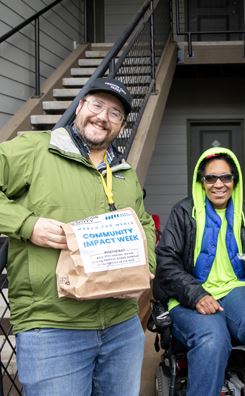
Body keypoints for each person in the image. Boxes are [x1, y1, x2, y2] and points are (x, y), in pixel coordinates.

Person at [0, 77, 156, 396]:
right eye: (97, 105)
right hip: (54, 326)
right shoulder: (35, 150)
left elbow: (144, 223)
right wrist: (27, 224)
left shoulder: (124, 173)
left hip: (122, 326)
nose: (103, 117)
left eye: (115, 113)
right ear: (80, 106)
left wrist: (146, 267)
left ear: (121, 125)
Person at [153, 147, 245, 396]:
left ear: (234, 180)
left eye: (226, 177)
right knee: (211, 338)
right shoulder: (183, 213)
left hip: (238, 287)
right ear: (201, 181)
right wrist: (196, 295)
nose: (219, 184)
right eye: (211, 178)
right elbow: (166, 261)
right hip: (190, 291)